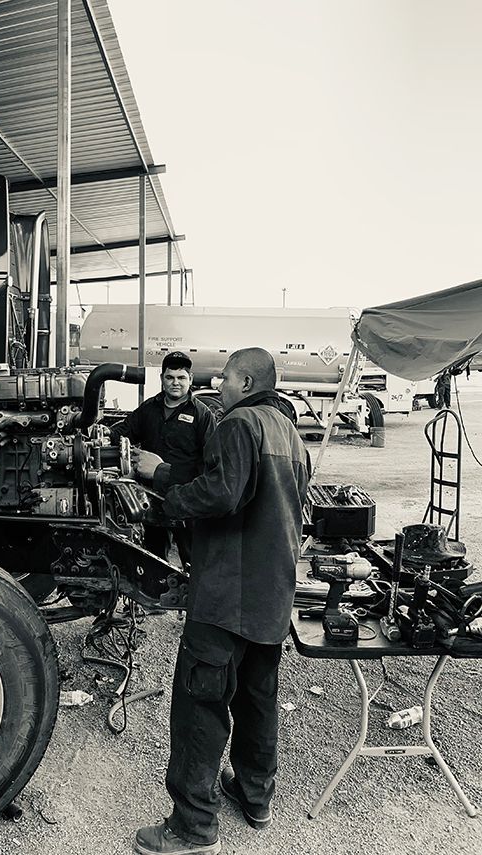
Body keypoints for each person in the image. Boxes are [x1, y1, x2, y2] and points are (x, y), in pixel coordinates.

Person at [130, 348, 310, 855]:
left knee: (200, 702)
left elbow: (221, 493)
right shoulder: (291, 436)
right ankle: (255, 796)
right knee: (257, 699)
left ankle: (192, 826)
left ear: (247, 381)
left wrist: (163, 483)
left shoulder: (238, 424)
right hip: (272, 596)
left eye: (225, 376)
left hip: (227, 595)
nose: (218, 383)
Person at [109, 351, 215, 567]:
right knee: (153, 560)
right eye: (170, 377)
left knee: (193, 561)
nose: (175, 383)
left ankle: (192, 598)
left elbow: (209, 463)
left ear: (190, 380)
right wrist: (102, 430)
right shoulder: (149, 408)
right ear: (162, 379)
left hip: (186, 500)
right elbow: (124, 431)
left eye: (181, 378)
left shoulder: (202, 415)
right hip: (153, 499)